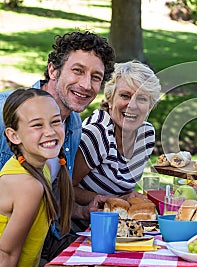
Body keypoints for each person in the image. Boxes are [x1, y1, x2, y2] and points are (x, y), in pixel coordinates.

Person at [0, 31, 115, 265]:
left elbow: (46, 200)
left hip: (44, 242)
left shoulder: (72, 125)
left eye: (96, 77)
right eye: (78, 70)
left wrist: (82, 211)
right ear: (53, 70)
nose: (86, 85)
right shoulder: (6, 114)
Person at [72, 60, 161, 226]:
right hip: (83, 226)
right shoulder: (97, 134)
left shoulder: (146, 134)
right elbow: (65, 187)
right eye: (125, 96)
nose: (132, 105)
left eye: (141, 98)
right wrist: (116, 200)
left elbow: (122, 185)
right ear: (110, 99)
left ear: (150, 106)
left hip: (119, 224)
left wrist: (129, 197)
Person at [0, 89, 73, 267]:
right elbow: (6, 255)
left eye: (55, 121)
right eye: (37, 125)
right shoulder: (28, 185)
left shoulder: (42, 169)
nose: (50, 132)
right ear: (14, 135)